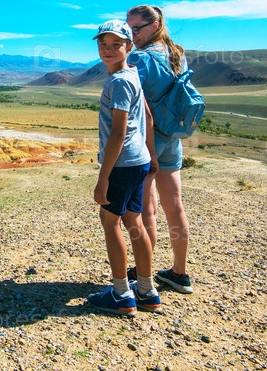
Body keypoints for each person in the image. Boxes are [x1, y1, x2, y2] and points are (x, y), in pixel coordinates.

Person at [87, 20, 162, 316]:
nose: (108, 50)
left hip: (122, 163)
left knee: (110, 222)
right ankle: (147, 290)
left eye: (115, 45)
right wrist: (151, 155)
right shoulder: (133, 74)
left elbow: (118, 133)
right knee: (135, 222)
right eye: (103, 45)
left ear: (129, 47)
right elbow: (148, 118)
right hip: (138, 161)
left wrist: (103, 178)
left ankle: (120, 293)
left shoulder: (118, 82)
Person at [125, 5, 193, 294]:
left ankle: (144, 275)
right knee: (175, 206)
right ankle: (180, 273)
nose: (132, 35)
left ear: (154, 26)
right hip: (172, 137)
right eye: (128, 29)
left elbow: (133, 103)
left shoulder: (139, 58)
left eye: (136, 28)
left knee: (147, 210)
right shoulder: (177, 54)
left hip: (148, 141)